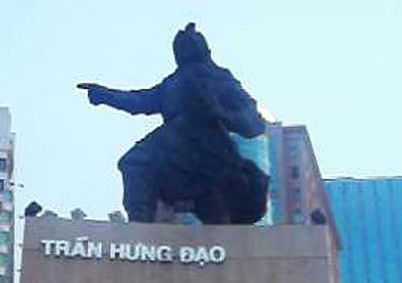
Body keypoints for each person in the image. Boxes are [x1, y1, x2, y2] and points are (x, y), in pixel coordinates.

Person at [79, 23, 268, 224]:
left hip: (210, 151)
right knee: (135, 162)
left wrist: (220, 112)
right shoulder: (173, 82)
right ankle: (140, 233)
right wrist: (105, 95)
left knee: (216, 216)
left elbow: (254, 124)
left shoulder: (220, 78)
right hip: (172, 145)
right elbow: (140, 101)